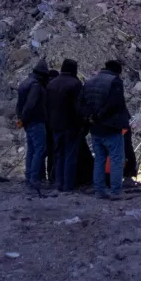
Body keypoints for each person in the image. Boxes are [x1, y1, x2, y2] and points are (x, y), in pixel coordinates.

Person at [81, 60, 129, 200]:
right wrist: (100, 115)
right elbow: (116, 103)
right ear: (117, 72)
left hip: (95, 128)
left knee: (99, 159)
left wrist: (90, 117)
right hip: (111, 127)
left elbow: (80, 103)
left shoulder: (89, 82)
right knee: (116, 159)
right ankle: (115, 191)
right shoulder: (115, 82)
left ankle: (99, 190)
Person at [46, 59, 84, 193]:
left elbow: (47, 106)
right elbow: (79, 107)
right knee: (70, 156)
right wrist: (82, 124)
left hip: (55, 125)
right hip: (71, 125)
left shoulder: (52, 84)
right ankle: (68, 186)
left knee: (58, 155)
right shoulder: (75, 84)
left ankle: (58, 183)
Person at [16, 59, 50, 194]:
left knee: (31, 150)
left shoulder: (25, 82)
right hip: (36, 121)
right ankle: (34, 179)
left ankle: (29, 177)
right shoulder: (35, 86)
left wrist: (21, 120)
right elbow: (30, 105)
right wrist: (24, 118)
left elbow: (20, 105)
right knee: (39, 150)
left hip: (27, 122)